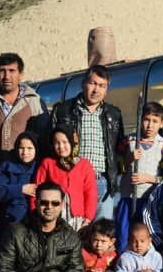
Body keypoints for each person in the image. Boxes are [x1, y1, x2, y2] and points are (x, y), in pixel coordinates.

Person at [47, 65, 125, 222]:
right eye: (93, 83)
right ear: (83, 84)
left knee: (101, 232)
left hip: (102, 181)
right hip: (72, 179)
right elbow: (50, 145)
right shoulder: (63, 110)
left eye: (102, 86)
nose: (96, 90)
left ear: (107, 89)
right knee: (73, 227)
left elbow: (118, 148)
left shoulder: (114, 114)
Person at [114, 102, 163, 247]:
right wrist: (128, 160)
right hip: (128, 198)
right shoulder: (128, 142)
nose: (150, 125)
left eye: (155, 121)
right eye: (146, 120)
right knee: (123, 237)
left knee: (144, 239)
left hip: (149, 202)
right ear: (140, 120)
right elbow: (117, 168)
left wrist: (148, 178)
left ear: (162, 123)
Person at [0, 53, 46, 171]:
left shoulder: (34, 102)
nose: (6, 76)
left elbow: (43, 138)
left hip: (27, 173)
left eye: (12, 71)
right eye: (2, 71)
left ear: (21, 74)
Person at [32, 124, 98, 233]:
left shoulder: (84, 165)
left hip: (77, 219)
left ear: (72, 142)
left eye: (65, 142)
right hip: (52, 216)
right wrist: (35, 212)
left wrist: (88, 218)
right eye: (57, 143)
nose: (61, 146)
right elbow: (36, 190)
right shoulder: (47, 163)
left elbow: (90, 193)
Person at [0, 132, 41, 246]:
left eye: (29, 148)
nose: (25, 152)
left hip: (34, 221)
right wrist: (21, 189)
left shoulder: (40, 167)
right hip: (10, 220)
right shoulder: (6, 166)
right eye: (21, 148)